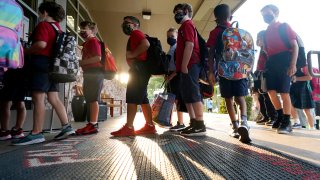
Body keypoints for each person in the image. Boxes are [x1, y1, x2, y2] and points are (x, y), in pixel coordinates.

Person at [13, 2, 75, 145]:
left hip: (41, 64)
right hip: (54, 66)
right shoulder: (58, 29)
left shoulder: (43, 26)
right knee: (54, 97)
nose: (40, 16)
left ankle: (36, 133)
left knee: (38, 98)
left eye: (40, 13)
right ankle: (66, 126)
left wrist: (24, 51)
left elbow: (41, 45)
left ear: (45, 13)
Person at [207, 4, 250, 143]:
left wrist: (210, 72)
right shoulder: (238, 32)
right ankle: (244, 122)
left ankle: (235, 126)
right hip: (239, 69)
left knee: (228, 98)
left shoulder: (214, 32)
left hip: (224, 70)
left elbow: (211, 53)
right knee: (241, 97)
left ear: (215, 18)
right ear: (230, 17)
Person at [111, 16, 156, 136]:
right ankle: (150, 125)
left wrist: (133, 54)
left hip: (138, 69)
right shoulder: (136, 35)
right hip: (142, 69)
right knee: (143, 99)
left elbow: (146, 44)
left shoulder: (136, 33)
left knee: (132, 96)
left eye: (127, 23)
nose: (124, 25)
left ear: (135, 25)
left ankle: (129, 127)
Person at [261, 4, 298, 134]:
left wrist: (293, 64)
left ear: (275, 12)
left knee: (284, 92)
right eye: (263, 15)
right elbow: (266, 50)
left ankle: (287, 122)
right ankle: (280, 115)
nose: (265, 16)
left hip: (285, 59)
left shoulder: (284, 27)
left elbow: (295, 46)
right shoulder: (265, 32)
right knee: (270, 91)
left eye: (268, 13)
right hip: (271, 61)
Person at [173, 3, 206, 136]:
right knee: (187, 94)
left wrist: (184, 65)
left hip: (190, 64)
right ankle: (193, 122)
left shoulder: (187, 25)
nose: (175, 14)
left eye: (178, 11)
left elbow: (190, 45)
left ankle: (200, 124)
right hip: (186, 66)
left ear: (186, 11)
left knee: (193, 93)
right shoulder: (183, 27)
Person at [0, 0, 26, 141]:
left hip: (5, 65)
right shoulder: (17, 8)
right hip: (15, 63)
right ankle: (18, 129)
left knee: (5, 102)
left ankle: (4, 130)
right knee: (19, 102)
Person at [75, 21, 105, 135]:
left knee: (93, 99)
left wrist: (82, 62)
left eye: (85, 29)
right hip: (90, 73)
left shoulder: (93, 41)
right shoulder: (87, 43)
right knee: (90, 98)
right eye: (81, 29)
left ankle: (93, 124)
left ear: (92, 30)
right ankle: (91, 123)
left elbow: (98, 58)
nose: (82, 31)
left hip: (95, 73)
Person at [164, 27, 186, 132]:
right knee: (172, 99)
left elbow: (180, 65)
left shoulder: (177, 47)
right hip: (170, 76)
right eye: (168, 36)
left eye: (172, 36)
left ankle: (181, 123)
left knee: (177, 99)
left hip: (176, 76)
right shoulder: (171, 48)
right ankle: (169, 121)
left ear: (177, 37)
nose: (170, 38)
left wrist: (171, 76)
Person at [254, 30, 277, 126]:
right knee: (261, 96)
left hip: (266, 74)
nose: (257, 40)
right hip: (260, 73)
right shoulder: (261, 49)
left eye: (259, 38)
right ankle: (266, 116)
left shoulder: (267, 48)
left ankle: (273, 117)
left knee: (267, 96)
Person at [290, 66, 316, 130]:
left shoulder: (305, 66)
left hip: (303, 89)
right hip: (293, 88)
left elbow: (309, 77)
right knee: (290, 104)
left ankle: (312, 128)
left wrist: (296, 78)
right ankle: (296, 122)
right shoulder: (290, 65)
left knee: (306, 109)